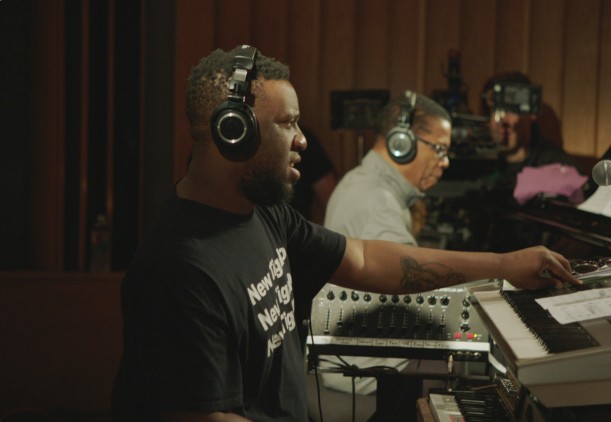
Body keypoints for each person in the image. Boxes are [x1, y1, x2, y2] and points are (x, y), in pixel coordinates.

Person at [111, 44, 580, 422]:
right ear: (234, 132)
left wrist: (505, 265)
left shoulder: (262, 212)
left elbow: (362, 258)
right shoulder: (178, 272)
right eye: (288, 123)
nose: (303, 139)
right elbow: (203, 416)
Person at [315, 92, 451, 401]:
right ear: (401, 143)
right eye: (440, 149)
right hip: (366, 382)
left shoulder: (361, 182)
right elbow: (417, 282)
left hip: (358, 370)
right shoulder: (377, 200)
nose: (446, 162)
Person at [289, 127, 337, 225]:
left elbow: (334, 202)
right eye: (286, 122)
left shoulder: (306, 142)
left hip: (299, 235)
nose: (301, 142)